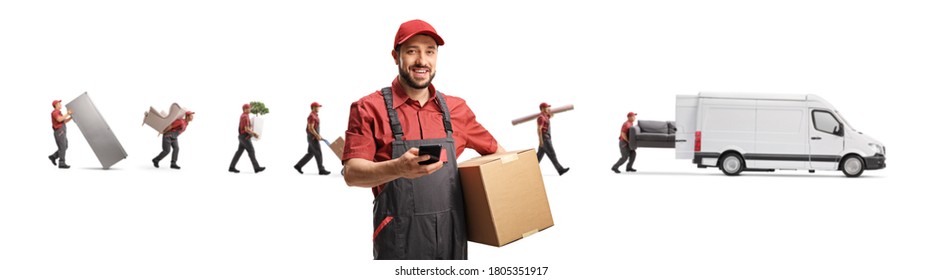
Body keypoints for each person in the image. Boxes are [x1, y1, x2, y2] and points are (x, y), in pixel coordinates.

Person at [342, 19, 504, 260]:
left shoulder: (457, 109)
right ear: (395, 56)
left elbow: (499, 156)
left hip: (452, 240)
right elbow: (352, 174)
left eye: (430, 51)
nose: (422, 60)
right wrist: (398, 168)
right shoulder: (368, 108)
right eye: (411, 51)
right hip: (399, 242)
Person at [294, 102, 330, 175]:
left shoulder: (315, 115)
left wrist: (318, 135)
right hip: (313, 138)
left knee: (310, 153)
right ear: (313, 107)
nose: (319, 108)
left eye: (319, 107)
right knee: (318, 152)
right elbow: (310, 128)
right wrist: (317, 135)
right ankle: (321, 170)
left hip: (312, 137)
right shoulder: (312, 116)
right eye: (317, 107)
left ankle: (298, 165)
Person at [228, 104, 265, 173]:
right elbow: (246, 129)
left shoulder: (244, 115)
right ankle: (256, 168)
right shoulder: (245, 117)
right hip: (245, 137)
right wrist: (255, 134)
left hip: (241, 137)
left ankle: (231, 167)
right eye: (249, 108)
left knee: (238, 152)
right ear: (245, 109)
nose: (250, 109)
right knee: (251, 151)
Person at [536, 102, 570, 176]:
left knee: (538, 156)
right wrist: (541, 141)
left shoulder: (545, 116)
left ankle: (529, 167)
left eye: (548, 107)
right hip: (545, 139)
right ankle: (560, 170)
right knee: (552, 154)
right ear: (542, 109)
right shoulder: (541, 118)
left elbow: (552, 115)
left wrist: (550, 111)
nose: (548, 108)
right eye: (546, 107)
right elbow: (539, 129)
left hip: (547, 138)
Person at [48, 100, 73, 169]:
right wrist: (68, 113)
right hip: (59, 131)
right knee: (62, 147)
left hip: (62, 131)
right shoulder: (55, 112)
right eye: (59, 103)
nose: (60, 104)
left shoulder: (59, 113)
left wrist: (71, 117)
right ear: (56, 105)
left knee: (65, 146)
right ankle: (62, 163)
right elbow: (59, 119)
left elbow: (63, 121)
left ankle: (53, 156)